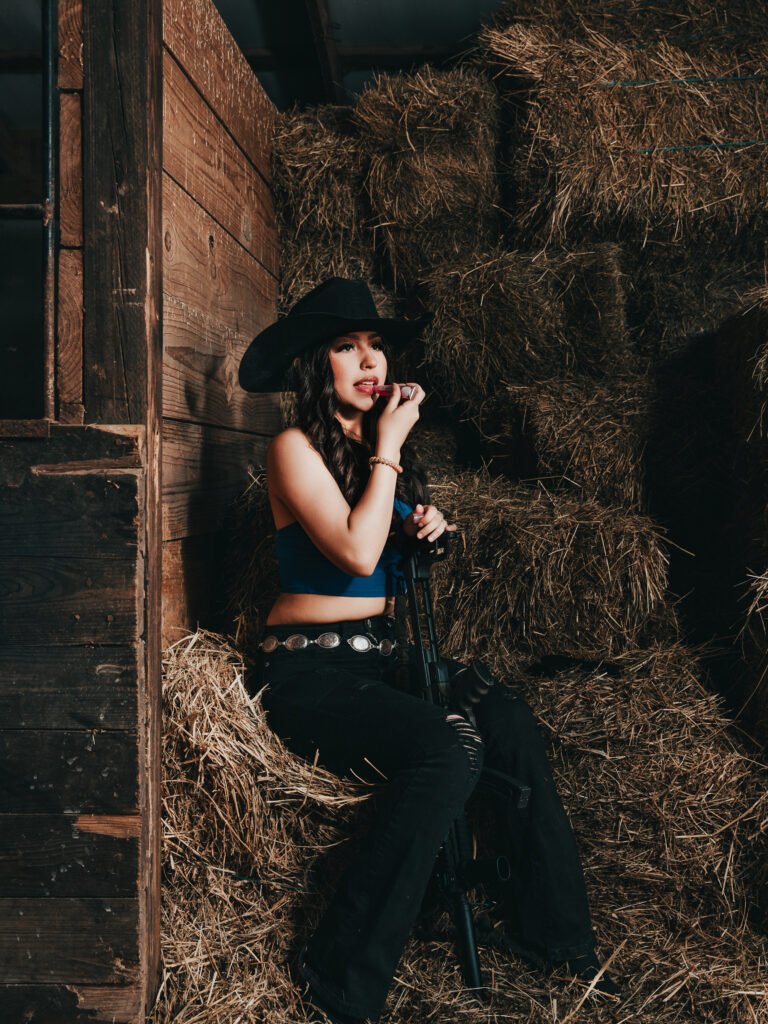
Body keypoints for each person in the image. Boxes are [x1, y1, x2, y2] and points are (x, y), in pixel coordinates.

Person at [238, 278, 618, 1024]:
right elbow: (351, 552)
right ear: (316, 365)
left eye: (376, 345)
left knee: (502, 716)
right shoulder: (294, 447)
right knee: (446, 752)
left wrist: (427, 530)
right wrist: (389, 450)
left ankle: (561, 941)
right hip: (307, 671)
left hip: (376, 657)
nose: (369, 360)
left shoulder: (370, 453)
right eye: (347, 347)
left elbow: (385, 556)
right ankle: (337, 980)